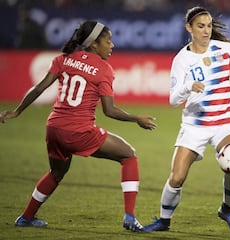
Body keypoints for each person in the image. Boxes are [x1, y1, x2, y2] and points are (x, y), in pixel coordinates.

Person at [142, 6, 230, 235]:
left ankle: (227, 210)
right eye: (200, 26)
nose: (206, 30)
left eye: (209, 25)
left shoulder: (224, 49)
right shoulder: (182, 59)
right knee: (177, 177)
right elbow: (172, 100)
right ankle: (163, 221)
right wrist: (189, 87)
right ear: (188, 28)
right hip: (195, 125)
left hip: (224, 121)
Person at [0, 20, 157, 232]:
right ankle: (130, 217)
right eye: (108, 41)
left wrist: (17, 111)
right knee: (128, 155)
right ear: (94, 44)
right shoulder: (103, 69)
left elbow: (38, 88)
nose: (112, 46)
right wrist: (136, 118)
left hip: (54, 128)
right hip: (78, 131)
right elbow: (109, 111)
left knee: (56, 173)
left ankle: (26, 217)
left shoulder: (63, 60)